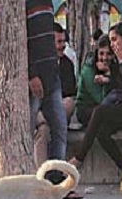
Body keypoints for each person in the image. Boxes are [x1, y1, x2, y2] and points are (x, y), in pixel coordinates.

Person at [69, 20, 122, 174]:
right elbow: (120, 88)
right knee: (101, 131)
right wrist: (109, 77)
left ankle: (79, 158)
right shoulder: (116, 62)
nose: (113, 44)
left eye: (115, 40)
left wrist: (121, 62)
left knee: (100, 111)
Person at [34, 22, 76, 171]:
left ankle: (58, 176)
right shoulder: (36, 67)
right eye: (58, 42)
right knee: (44, 130)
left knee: (66, 106)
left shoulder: (67, 64)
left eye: (64, 41)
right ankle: (42, 178)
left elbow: (70, 93)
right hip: (40, 113)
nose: (62, 45)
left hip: (60, 109)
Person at [74, 35, 114, 127]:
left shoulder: (114, 67)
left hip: (103, 109)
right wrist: (107, 74)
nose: (104, 58)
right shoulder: (89, 70)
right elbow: (101, 100)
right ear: (96, 54)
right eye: (101, 53)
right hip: (86, 110)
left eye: (108, 54)